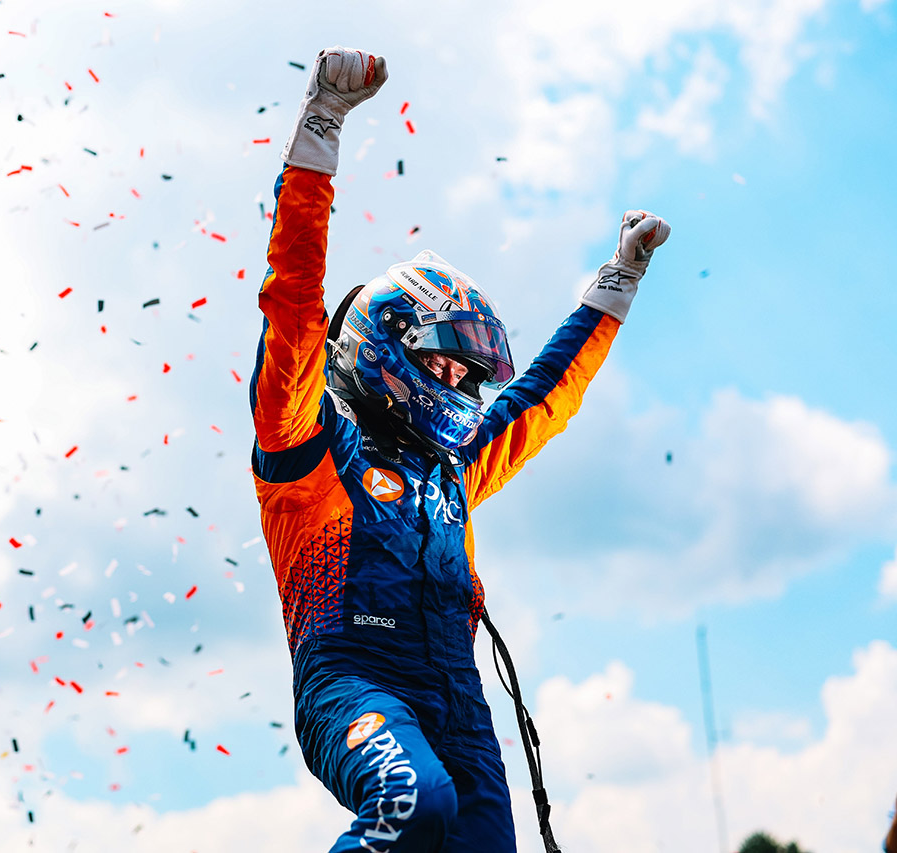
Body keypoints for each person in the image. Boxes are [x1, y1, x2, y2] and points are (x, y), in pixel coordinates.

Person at [248, 46, 670, 852]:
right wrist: (321, 132)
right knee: (416, 801)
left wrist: (620, 279)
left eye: (464, 370)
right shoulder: (307, 444)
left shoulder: (453, 466)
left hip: (460, 699)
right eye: (441, 360)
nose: (454, 381)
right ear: (385, 343)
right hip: (354, 682)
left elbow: (544, 395)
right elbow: (294, 308)